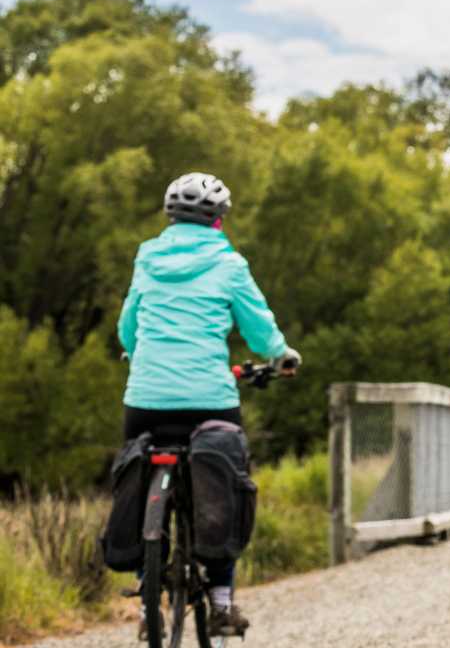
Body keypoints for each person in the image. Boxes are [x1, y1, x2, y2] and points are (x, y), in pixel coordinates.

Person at [116, 172, 300, 638]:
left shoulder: (147, 258)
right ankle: (221, 601)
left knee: (135, 471)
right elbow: (258, 327)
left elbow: (128, 326)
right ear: (218, 220)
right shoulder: (229, 264)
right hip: (208, 399)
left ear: (170, 218)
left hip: (145, 398)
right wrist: (281, 356)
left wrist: (136, 352)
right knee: (225, 482)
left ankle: (146, 601)